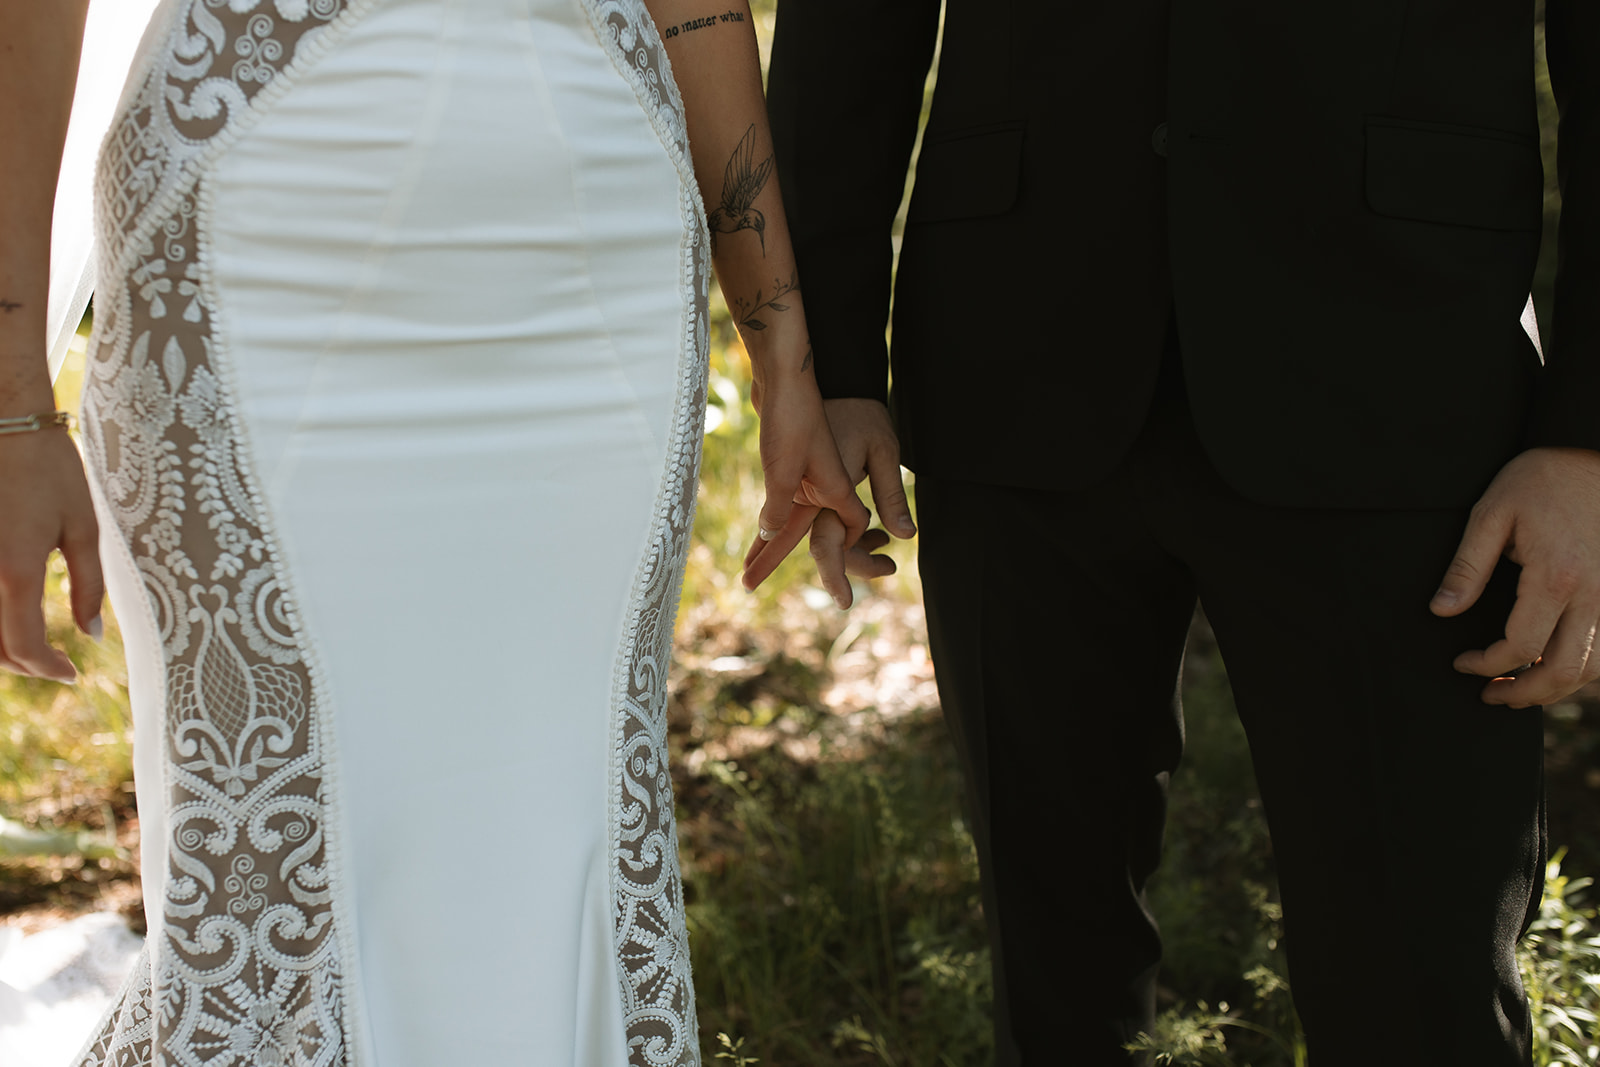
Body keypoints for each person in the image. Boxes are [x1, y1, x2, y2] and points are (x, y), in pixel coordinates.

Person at [0, 0, 866, 1063]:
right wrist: (11, 399)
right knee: (276, 868)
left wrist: (785, 359)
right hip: (260, 231)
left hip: (595, 246)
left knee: (568, 831)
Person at [763, 2, 1600, 1064]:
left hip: (1403, 375)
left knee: (1421, 989)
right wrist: (828, 363)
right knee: (1055, 983)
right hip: (1012, 356)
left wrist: (1587, 441)